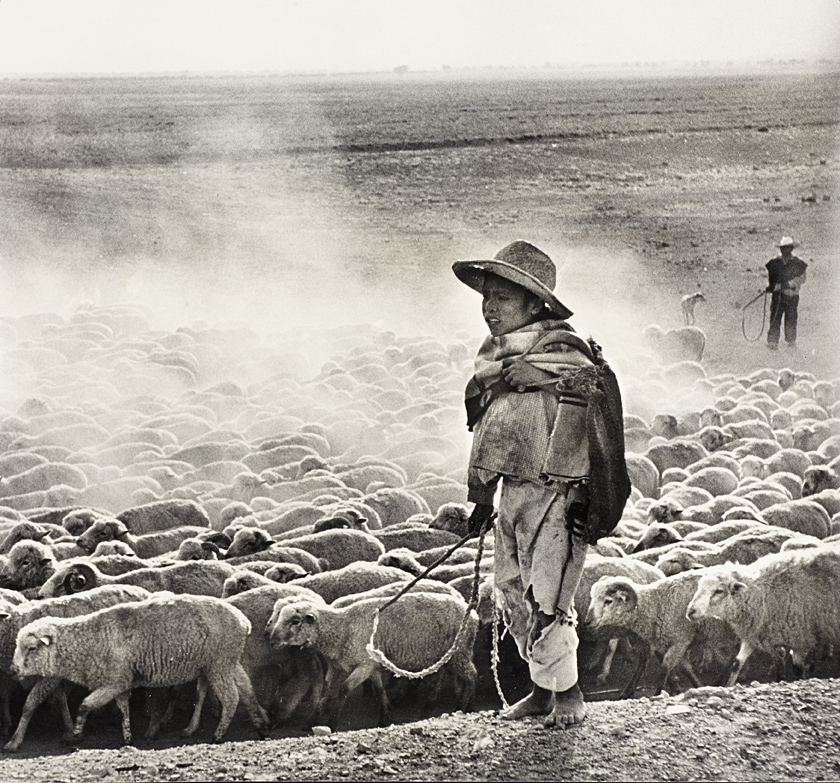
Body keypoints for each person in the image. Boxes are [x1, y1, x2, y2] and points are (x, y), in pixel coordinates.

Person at [452, 240, 628, 729]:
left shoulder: (565, 354)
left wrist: (545, 377)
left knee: (548, 595)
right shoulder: (492, 360)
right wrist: (483, 496)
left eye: (502, 299)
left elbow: (591, 407)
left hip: (558, 494)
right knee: (512, 591)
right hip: (512, 492)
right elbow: (490, 433)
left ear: (534, 304)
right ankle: (540, 690)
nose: (489, 309)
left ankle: (569, 694)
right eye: (486, 298)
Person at [766, 236, 808, 350]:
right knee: (775, 317)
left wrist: (788, 284)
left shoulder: (798, 264)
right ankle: (772, 342)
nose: (784, 251)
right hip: (778, 296)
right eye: (782, 248)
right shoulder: (774, 263)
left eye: (787, 248)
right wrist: (772, 287)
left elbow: (802, 278)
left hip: (792, 296)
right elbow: (772, 280)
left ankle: (791, 342)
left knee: (791, 318)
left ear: (791, 249)